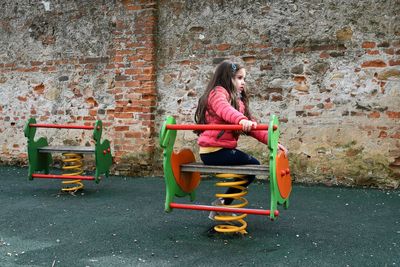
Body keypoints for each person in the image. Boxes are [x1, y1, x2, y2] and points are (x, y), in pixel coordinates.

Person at [194, 60, 286, 220]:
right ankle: (223, 204)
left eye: (244, 78)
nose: (242, 82)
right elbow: (225, 110)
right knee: (253, 166)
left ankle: (222, 203)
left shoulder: (238, 101)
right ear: (226, 78)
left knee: (250, 170)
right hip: (213, 151)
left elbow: (254, 129)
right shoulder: (217, 94)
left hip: (223, 150)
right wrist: (240, 120)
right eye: (238, 78)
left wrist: (273, 142)